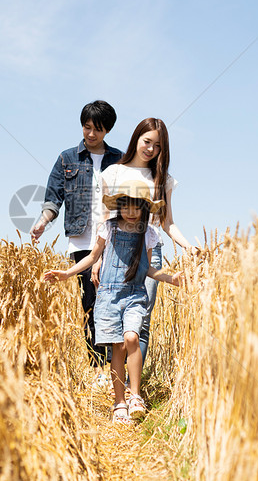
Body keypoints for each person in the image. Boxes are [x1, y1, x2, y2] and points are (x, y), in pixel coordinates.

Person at [43, 180, 183, 423]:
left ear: (144, 208)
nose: (130, 212)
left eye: (135, 207)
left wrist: (171, 278)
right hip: (108, 296)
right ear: (118, 206)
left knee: (131, 337)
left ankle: (135, 396)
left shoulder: (149, 233)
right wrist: (67, 273)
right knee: (116, 347)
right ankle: (119, 402)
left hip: (134, 294)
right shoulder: (107, 228)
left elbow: (148, 269)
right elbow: (93, 257)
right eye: (125, 207)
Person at [30, 100, 122, 387]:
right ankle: (98, 369)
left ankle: (115, 367)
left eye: (98, 129)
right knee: (90, 302)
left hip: (113, 238)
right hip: (82, 239)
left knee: (113, 301)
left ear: (107, 130)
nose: (91, 134)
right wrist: (44, 221)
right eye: (87, 127)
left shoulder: (119, 159)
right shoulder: (67, 158)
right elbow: (53, 196)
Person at [97, 118, 199, 368]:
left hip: (149, 250)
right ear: (136, 139)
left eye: (158, 145)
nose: (151, 149)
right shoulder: (113, 172)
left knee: (140, 320)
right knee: (114, 323)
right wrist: (97, 259)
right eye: (147, 141)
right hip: (114, 252)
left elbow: (167, 223)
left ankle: (135, 390)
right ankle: (116, 385)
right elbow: (102, 219)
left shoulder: (162, 178)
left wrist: (188, 246)